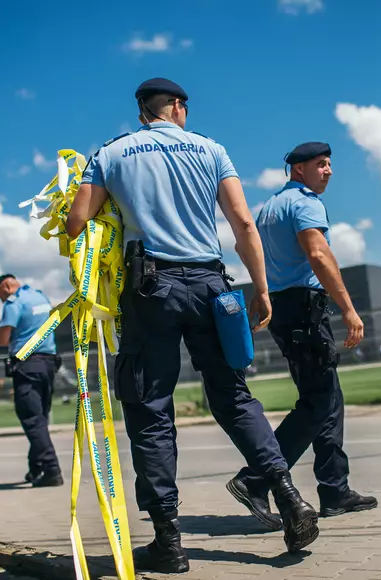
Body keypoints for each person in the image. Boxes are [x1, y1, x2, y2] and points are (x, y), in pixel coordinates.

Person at [67, 78, 320, 573]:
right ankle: (289, 498)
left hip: (150, 291)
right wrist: (261, 288)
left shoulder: (111, 153)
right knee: (233, 396)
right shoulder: (212, 150)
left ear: (143, 112)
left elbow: (77, 222)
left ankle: (168, 541)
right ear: (178, 108)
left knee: (150, 408)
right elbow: (243, 224)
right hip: (211, 286)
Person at [225, 142, 378, 531]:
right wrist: (348, 309)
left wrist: (263, 292)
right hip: (305, 311)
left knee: (328, 397)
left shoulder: (270, 208)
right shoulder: (305, 204)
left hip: (283, 308)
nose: (328, 170)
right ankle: (256, 479)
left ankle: (335, 489)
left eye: (329, 164)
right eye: (321, 164)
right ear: (298, 170)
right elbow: (319, 256)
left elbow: (249, 249)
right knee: (318, 403)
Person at [0, 273, 63, 488]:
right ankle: (36, 467)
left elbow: (2, 339)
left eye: (0, 296)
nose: (2, 301)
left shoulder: (14, 303)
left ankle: (52, 470)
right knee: (40, 418)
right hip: (49, 363)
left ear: (6, 286)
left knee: (32, 419)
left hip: (27, 365)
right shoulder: (40, 297)